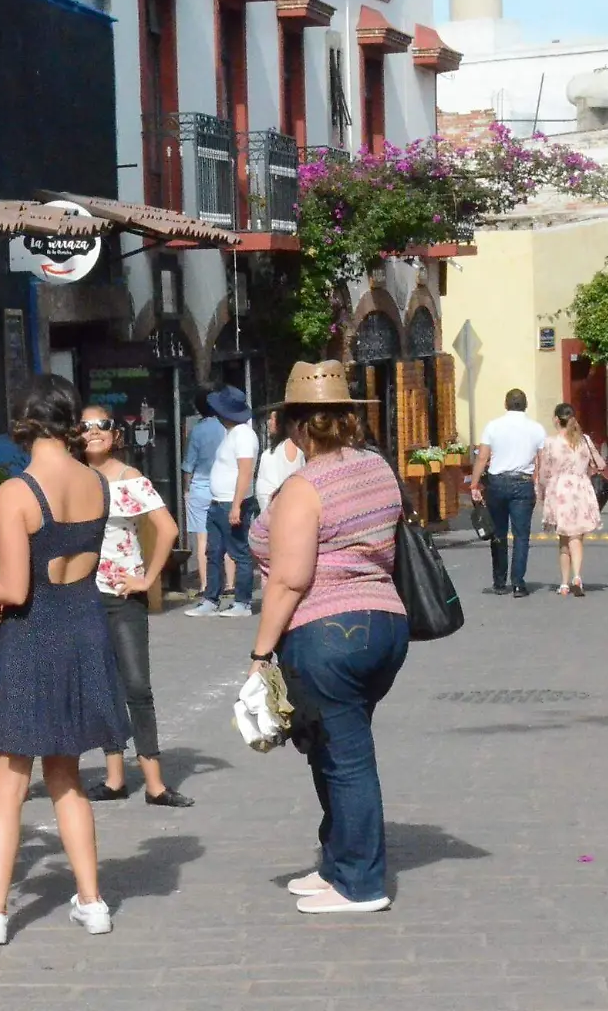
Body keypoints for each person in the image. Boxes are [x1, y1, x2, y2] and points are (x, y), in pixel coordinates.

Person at [0, 375, 131, 946]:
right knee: (67, 774)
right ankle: (92, 902)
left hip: (33, 638)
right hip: (86, 630)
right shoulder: (98, 482)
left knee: (10, 780)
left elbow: (16, 590)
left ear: (22, 423)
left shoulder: (15, 492)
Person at [245, 360, 407, 914]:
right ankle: (338, 863)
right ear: (347, 419)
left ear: (295, 427)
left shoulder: (302, 488)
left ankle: (361, 882)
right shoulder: (377, 470)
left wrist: (260, 654)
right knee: (332, 747)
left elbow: (290, 579)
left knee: (345, 755)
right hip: (385, 625)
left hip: (329, 629)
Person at [77, 406, 194, 808]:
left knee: (136, 687)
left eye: (101, 425)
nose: (93, 432)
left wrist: (147, 579)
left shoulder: (131, 480)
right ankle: (114, 779)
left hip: (124, 597)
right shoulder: (73, 480)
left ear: (115, 434)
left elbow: (169, 529)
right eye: (84, 426)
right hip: (83, 597)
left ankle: (155, 785)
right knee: (103, 686)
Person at [184, 385, 259, 618]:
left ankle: (242, 602)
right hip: (218, 501)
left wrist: (236, 505)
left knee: (239, 553)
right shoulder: (232, 433)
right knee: (213, 551)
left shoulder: (244, 435)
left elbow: (245, 472)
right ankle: (211, 598)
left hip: (231, 503)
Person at [470, 388, 546, 597]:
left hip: (497, 483)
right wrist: (537, 480)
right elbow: (542, 460)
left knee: (499, 533)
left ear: (506, 404)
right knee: (521, 536)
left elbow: (483, 457)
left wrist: (474, 484)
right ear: (526, 405)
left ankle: (499, 581)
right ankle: (519, 584)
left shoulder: (493, 426)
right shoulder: (537, 429)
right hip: (523, 483)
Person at [535, 403, 605, 597]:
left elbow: (543, 473)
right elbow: (599, 463)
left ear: (557, 419)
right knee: (577, 536)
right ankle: (577, 576)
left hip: (559, 491)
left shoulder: (550, 442)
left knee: (564, 539)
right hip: (581, 489)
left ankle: (564, 583)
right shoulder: (585, 440)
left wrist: (541, 495)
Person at [180, 390, 227, 595]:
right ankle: (231, 583)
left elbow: (188, 464)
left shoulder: (196, 432)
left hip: (200, 486)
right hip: (224, 487)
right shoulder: (226, 429)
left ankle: (205, 585)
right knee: (227, 537)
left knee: (202, 539)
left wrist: (186, 490)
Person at [255, 408, 308, 506]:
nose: (269, 423)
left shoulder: (289, 444)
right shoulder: (279, 445)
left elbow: (289, 474)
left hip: (277, 506)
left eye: (272, 419)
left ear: (281, 423)